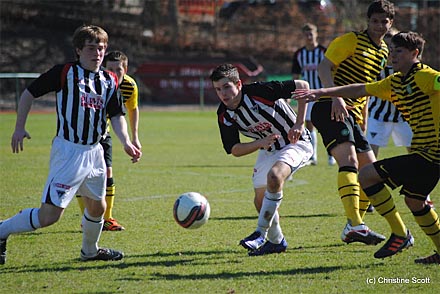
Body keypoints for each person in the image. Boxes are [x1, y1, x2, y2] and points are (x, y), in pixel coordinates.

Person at [0, 25, 142, 265]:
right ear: (78, 50)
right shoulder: (65, 72)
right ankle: (2, 230)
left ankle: (90, 251)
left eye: (101, 48)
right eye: (91, 48)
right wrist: (19, 127)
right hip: (69, 151)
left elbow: (117, 114)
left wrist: (126, 141)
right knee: (50, 216)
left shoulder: (109, 80)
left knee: (97, 207)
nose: (97, 53)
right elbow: (29, 93)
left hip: (95, 151)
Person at [293, 31, 440, 264]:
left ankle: (399, 234)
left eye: (399, 51)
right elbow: (360, 89)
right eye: (391, 51)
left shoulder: (424, 76)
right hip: (425, 153)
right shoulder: (395, 81)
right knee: (415, 201)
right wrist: (322, 92)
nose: (393, 55)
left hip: (432, 154)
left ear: (415, 54)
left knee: (368, 175)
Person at [310, 0, 395, 245]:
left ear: (391, 24)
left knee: (371, 173)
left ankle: (352, 225)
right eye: (375, 21)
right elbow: (324, 66)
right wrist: (335, 96)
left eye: (385, 21)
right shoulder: (351, 40)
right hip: (329, 107)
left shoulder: (383, 52)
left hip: (354, 115)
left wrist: (365, 118)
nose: (380, 25)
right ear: (367, 21)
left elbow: (366, 89)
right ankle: (357, 224)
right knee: (349, 162)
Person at [210, 63, 313, 256]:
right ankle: (276, 241)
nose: (223, 93)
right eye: (218, 89)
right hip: (268, 149)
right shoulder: (224, 115)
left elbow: (303, 86)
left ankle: (260, 233)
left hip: (296, 143)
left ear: (238, 84)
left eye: (226, 87)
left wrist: (299, 123)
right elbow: (234, 149)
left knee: (275, 177)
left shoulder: (260, 90)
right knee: (259, 200)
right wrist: (260, 143)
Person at [76, 50, 142, 231]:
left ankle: (108, 218)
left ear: (126, 69)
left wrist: (134, 138)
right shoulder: (96, 82)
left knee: (108, 172)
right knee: (83, 176)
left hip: (103, 133)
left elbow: (132, 109)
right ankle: (85, 219)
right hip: (83, 134)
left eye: (118, 69)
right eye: (109, 68)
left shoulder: (129, 86)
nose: (114, 73)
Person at [291, 23, 335, 166]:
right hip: (308, 96)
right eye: (306, 34)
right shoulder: (299, 54)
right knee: (309, 126)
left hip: (324, 94)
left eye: (311, 34)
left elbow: (333, 71)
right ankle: (313, 156)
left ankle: (331, 155)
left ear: (316, 34)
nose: (309, 37)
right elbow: (295, 76)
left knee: (328, 126)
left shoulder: (324, 52)